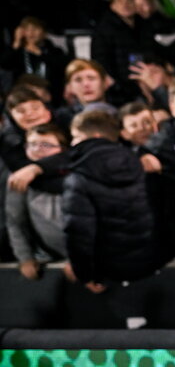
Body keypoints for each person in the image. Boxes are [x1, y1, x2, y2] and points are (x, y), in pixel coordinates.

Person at [62, 109, 159, 294]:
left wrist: (85, 274)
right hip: (149, 263)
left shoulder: (79, 177)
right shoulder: (139, 162)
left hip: (107, 272)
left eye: (76, 137)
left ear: (95, 136)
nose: (73, 143)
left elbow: (79, 233)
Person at [5, 123, 69, 279]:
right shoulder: (20, 178)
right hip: (49, 256)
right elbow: (15, 222)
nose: (37, 149)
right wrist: (25, 257)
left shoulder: (79, 172)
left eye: (46, 144)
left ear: (62, 148)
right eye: (32, 144)